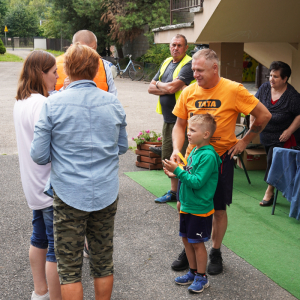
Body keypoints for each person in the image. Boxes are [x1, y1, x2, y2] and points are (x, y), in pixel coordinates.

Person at [31, 43, 128, 300]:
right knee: (103, 260)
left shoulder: (53, 104)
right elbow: (122, 147)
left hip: (68, 193)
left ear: (67, 69)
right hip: (106, 191)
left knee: (70, 269)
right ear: (96, 69)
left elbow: (39, 155)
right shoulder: (113, 103)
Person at [170, 48, 272, 274]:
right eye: (193, 69)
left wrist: (245, 141)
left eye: (200, 70)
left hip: (220, 160)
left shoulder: (233, 89)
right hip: (192, 160)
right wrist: (177, 149)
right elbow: (179, 124)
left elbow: (264, 115)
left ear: (215, 68)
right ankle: (190, 249)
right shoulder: (188, 92)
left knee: (218, 210)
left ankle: (215, 251)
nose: (195, 74)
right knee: (184, 205)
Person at [13, 51, 61, 300]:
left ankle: (39, 292)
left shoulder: (20, 101)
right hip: (49, 183)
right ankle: (54, 296)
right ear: (41, 73)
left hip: (32, 183)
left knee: (38, 238)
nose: (57, 77)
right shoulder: (43, 103)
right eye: (54, 72)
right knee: (55, 249)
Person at [163, 114, 221, 293]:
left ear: (206, 134)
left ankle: (202, 277)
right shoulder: (195, 150)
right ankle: (193, 272)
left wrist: (178, 172)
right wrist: (177, 176)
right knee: (186, 240)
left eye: (192, 130)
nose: (188, 133)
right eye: (188, 129)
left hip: (199, 208)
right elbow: (189, 172)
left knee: (197, 242)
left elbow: (197, 181)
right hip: (188, 205)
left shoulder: (209, 155)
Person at [148, 34, 195, 203]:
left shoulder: (189, 64)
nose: (175, 48)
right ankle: (174, 192)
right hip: (168, 119)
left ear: (185, 47)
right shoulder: (167, 62)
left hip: (183, 120)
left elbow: (173, 87)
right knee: (169, 156)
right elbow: (150, 88)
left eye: (179, 45)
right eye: (173, 45)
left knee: (183, 157)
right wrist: (164, 86)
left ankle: (185, 194)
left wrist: (160, 84)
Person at [251, 61, 300, 206]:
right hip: (266, 134)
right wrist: (253, 124)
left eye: (276, 77)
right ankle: (282, 186)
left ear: (285, 79)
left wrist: (289, 130)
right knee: (271, 161)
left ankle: (269, 192)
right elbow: (254, 105)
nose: (271, 79)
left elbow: (299, 115)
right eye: (270, 75)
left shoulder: (292, 96)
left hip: (284, 136)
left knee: (273, 161)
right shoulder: (265, 88)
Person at [55, 29, 117, 96]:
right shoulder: (54, 65)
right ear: (72, 48)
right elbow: (45, 98)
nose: (88, 57)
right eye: (83, 52)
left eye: (92, 52)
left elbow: (113, 95)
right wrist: (63, 89)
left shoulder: (105, 66)